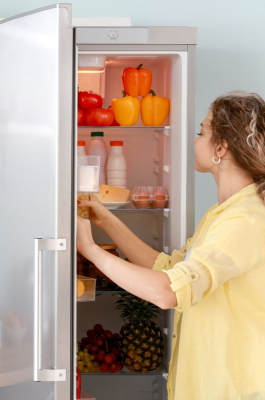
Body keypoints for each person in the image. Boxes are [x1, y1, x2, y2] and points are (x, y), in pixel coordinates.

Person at [76, 91, 265, 400]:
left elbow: (169, 291)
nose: (194, 141)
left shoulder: (244, 220)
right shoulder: (224, 214)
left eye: (201, 132)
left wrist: (92, 250)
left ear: (221, 148)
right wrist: (105, 220)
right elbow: (169, 268)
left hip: (231, 389)